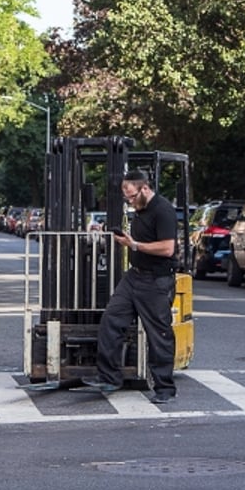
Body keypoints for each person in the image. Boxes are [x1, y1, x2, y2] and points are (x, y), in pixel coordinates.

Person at [83, 169, 179, 404]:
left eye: (132, 196)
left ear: (144, 188)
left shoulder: (163, 210)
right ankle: (109, 377)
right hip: (134, 277)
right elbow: (139, 240)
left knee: (158, 333)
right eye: (127, 197)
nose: (130, 201)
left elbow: (167, 249)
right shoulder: (140, 210)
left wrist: (133, 245)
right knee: (111, 319)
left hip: (156, 280)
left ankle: (165, 387)